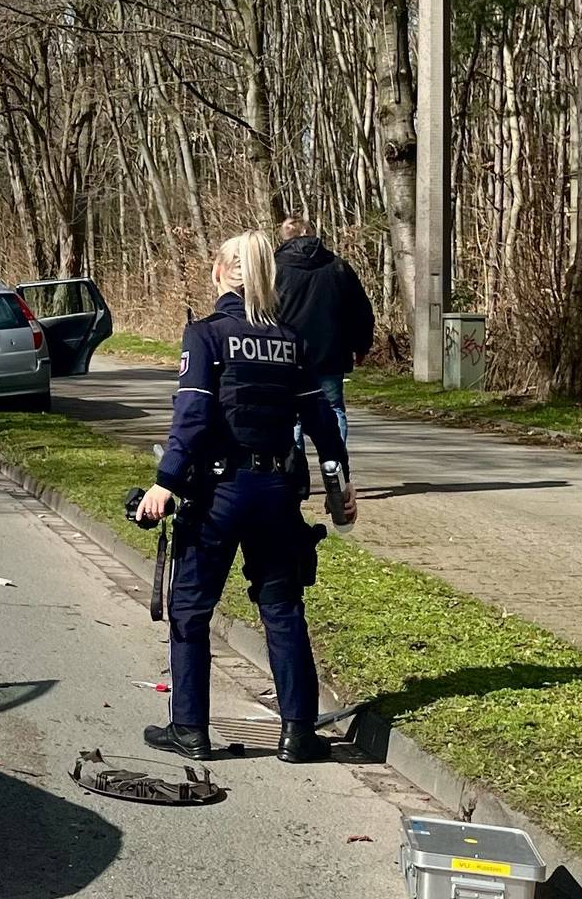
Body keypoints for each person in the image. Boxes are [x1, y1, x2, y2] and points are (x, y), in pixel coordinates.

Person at [133, 229, 353, 763]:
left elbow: (192, 416)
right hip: (276, 494)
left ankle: (190, 729)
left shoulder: (206, 335)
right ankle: (298, 733)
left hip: (219, 493)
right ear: (267, 276)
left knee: (191, 609)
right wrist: (339, 483)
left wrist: (165, 481)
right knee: (282, 607)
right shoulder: (289, 340)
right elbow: (322, 420)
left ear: (218, 271)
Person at [274, 216, 373, 452]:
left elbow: (261, 312)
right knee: (334, 408)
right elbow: (360, 310)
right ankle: (336, 464)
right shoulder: (337, 266)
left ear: (284, 238)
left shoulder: (273, 269)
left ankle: (295, 469)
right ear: (310, 233)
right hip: (331, 353)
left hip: (287, 354)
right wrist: (361, 345)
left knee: (291, 415)